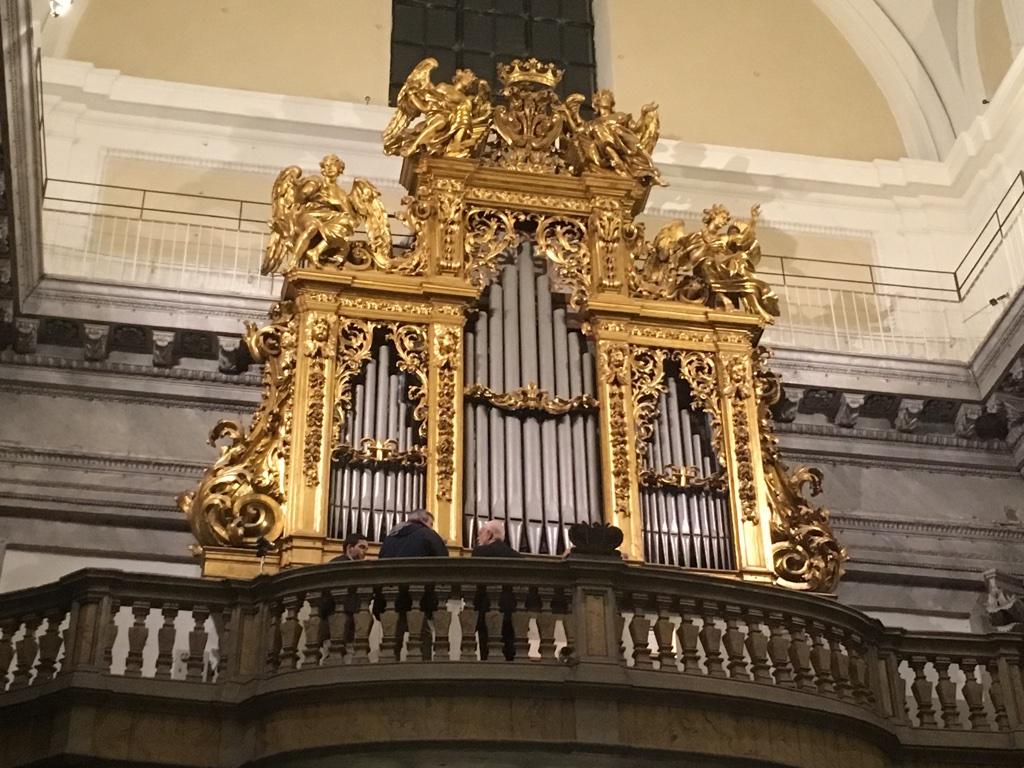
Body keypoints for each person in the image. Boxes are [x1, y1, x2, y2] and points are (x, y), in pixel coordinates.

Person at [378, 509, 449, 558]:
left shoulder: (390, 537)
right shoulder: (429, 535)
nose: (431, 528)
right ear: (423, 520)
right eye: (431, 524)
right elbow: (443, 560)